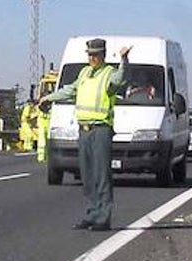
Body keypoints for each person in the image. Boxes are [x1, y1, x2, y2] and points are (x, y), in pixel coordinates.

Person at [40, 38, 130, 231]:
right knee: (88, 175)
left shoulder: (109, 73)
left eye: (96, 55)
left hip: (100, 129)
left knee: (101, 174)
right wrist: (48, 98)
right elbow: (69, 91)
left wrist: (124, 60)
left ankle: (103, 217)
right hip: (84, 129)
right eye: (90, 54)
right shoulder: (84, 73)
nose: (92, 58)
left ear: (103, 55)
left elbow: (120, 79)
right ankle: (92, 212)